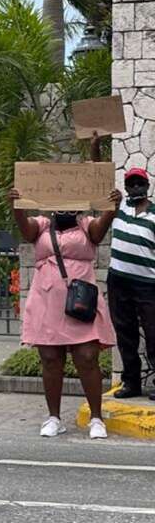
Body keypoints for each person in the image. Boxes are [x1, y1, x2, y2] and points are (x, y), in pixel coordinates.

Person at [9, 187, 119, 439]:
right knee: (50, 358)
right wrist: (17, 205)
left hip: (80, 302)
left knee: (87, 356)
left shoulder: (86, 225)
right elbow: (25, 231)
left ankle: (96, 417)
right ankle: (53, 417)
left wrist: (110, 208)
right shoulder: (42, 224)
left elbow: (100, 230)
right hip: (47, 301)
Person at [106, 167, 155, 400]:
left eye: (139, 183)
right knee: (125, 334)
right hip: (118, 281)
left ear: (147, 186)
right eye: (131, 183)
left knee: (154, 334)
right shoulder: (119, 208)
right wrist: (95, 146)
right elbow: (99, 179)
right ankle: (131, 383)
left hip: (148, 284)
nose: (135, 187)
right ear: (125, 187)